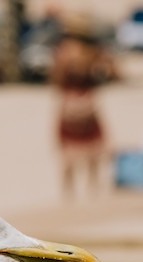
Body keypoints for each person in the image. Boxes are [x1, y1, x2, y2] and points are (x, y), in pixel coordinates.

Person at [50, 15, 117, 199]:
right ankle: (85, 192)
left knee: (74, 156)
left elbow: (57, 81)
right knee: (85, 155)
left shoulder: (68, 53)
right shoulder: (89, 53)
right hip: (84, 104)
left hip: (73, 105)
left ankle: (72, 194)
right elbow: (113, 75)